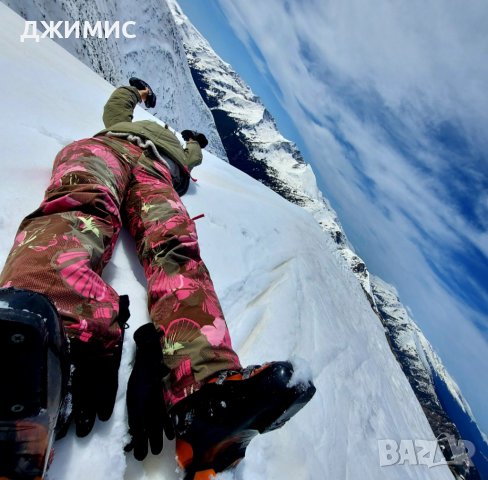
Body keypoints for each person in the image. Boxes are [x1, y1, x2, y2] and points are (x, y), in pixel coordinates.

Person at [0, 79, 315, 480]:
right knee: (81, 206)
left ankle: (207, 393)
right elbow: (116, 112)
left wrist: (194, 143)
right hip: (109, 148)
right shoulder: (128, 125)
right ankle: (36, 346)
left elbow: (192, 157)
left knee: (175, 249)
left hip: (156, 174)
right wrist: (136, 92)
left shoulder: (177, 150)